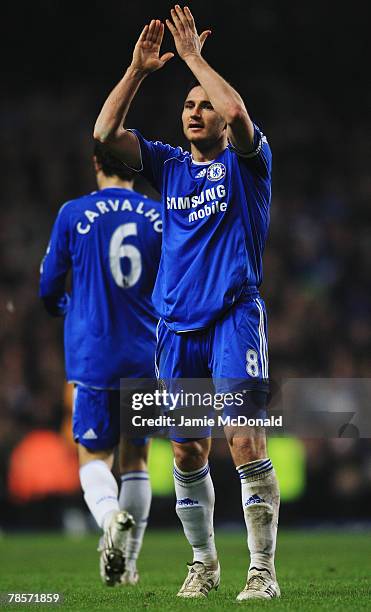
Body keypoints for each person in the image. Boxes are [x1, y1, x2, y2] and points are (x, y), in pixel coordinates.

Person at [94, 5, 280, 601]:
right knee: (185, 447)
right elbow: (103, 135)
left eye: (204, 105)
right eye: (188, 104)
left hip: (233, 318)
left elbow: (239, 113)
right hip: (175, 328)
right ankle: (204, 564)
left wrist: (195, 59)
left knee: (245, 439)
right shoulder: (169, 166)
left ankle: (262, 572)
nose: (196, 112)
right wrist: (138, 70)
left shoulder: (249, 166)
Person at [39, 143, 162, 586]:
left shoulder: (73, 213)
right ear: (135, 165)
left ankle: (110, 518)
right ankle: (126, 566)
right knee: (137, 459)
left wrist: (67, 306)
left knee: (93, 457)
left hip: (94, 356)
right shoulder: (158, 215)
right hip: (147, 354)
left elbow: (49, 286)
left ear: (95, 163)